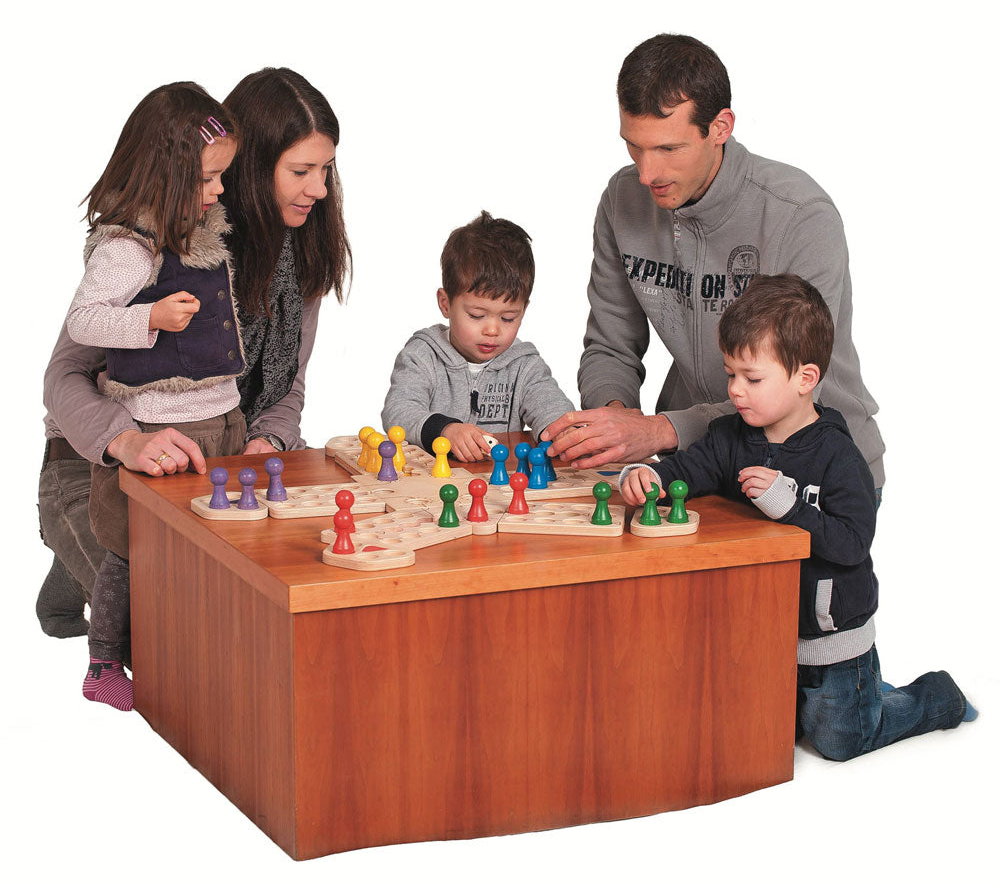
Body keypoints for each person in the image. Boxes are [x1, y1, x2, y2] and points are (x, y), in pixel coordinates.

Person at [37, 68, 352, 643]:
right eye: (301, 172)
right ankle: (76, 538)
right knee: (167, 645)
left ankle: (86, 560)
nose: (320, 190)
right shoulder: (160, 241)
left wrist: (269, 441)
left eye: (326, 170)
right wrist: (127, 441)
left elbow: (288, 388)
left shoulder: (301, 252)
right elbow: (63, 375)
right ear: (246, 169)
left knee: (274, 614)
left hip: (216, 462)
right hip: (101, 469)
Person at [617, 274, 974, 760]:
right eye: (731, 375)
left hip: (831, 641)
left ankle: (933, 697)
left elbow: (852, 543)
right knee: (762, 735)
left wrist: (791, 506)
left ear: (805, 378)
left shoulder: (838, 455)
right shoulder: (730, 437)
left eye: (752, 378)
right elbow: (686, 471)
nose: (736, 391)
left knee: (839, 741)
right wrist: (644, 477)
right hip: (763, 633)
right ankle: (860, 695)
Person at [543, 34, 885, 492]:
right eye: (634, 146)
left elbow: (793, 392)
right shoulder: (622, 200)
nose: (647, 174)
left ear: (720, 127)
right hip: (704, 467)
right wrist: (616, 416)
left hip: (818, 475)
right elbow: (610, 345)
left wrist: (661, 430)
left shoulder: (800, 214)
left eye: (668, 149)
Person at [63, 82, 244, 710]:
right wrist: (150, 321)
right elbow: (85, 322)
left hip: (220, 419)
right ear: (164, 175)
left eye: (222, 176)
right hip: (163, 428)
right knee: (132, 550)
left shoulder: (200, 232)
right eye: (207, 179)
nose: (219, 190)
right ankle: (104, 660)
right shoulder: (127, 250)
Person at [381, 210, 573, 461]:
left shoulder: (524, 365)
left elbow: (552, 408)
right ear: (445, 303)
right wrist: (445, 430)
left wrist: (565, 433)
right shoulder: (422, 355)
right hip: (433, 486)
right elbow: (399, 412)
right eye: (476, 315)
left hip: (499, 490)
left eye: (508, 318)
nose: (492, 330)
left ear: (524, 310)